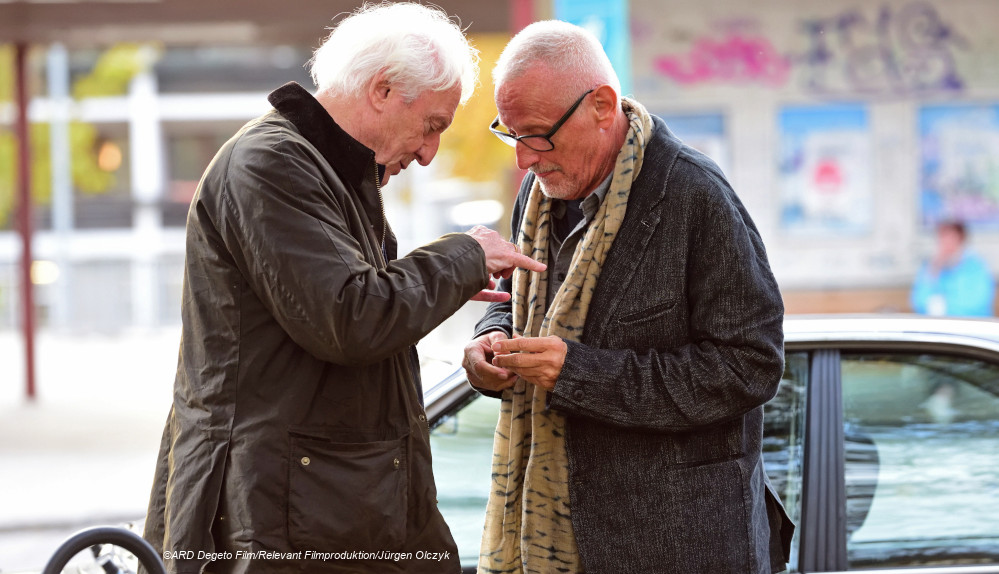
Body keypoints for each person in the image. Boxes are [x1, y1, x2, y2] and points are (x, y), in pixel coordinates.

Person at [141, 5, 545, 574]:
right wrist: (463, 258)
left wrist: (433, 278)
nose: (429, 153)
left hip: (318, 510)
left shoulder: (328, 170)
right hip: (286, 525)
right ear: (382, 89)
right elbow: (350, 316)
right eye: (432, 124)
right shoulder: (270, 163)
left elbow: (345, 297)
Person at [462, 21, 794, 574]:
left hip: (675, 547)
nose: (523, 158)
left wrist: (580, 374)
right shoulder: (542, 188)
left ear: (602, 105)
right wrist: (487, 342)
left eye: (538, 134)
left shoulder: (694, 196)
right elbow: (518, 299)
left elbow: (750, 366)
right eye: (510, 133)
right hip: (550, 536)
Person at [911, 219, 995, 317]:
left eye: (951, 238)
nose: (946, 244)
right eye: (942, 238)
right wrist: (934, 270)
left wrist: (941, 307)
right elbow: (918, 302)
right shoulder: (930, 266)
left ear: (961, 239)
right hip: (937, 327)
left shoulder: (976, 267)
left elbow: (975, 303)